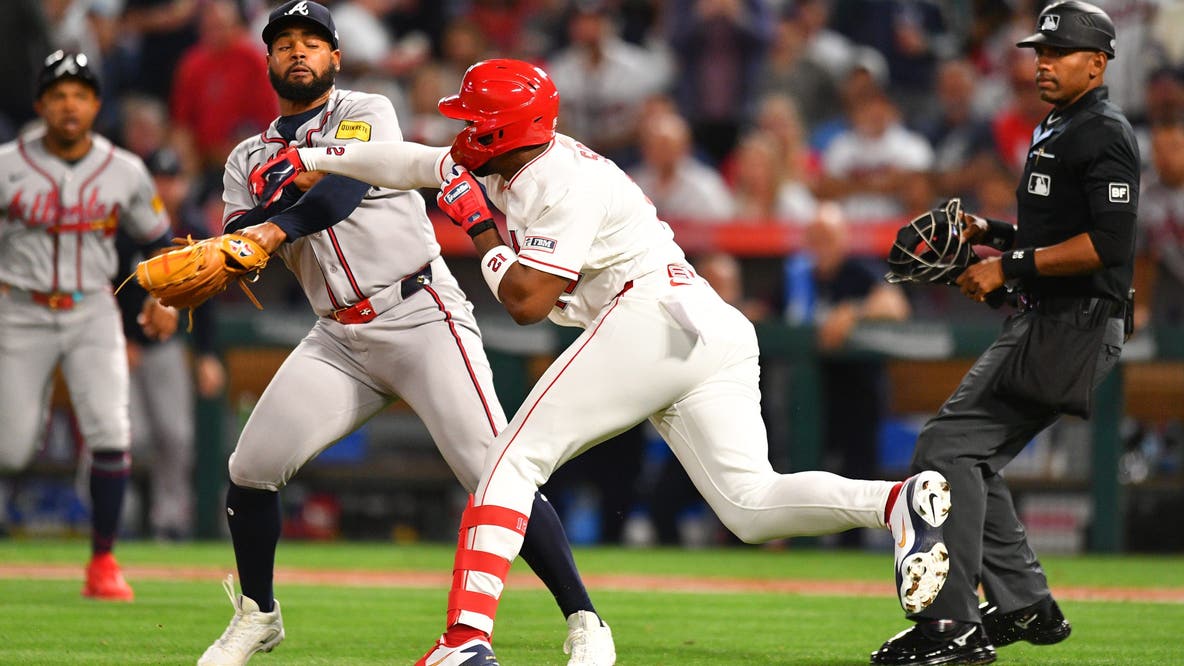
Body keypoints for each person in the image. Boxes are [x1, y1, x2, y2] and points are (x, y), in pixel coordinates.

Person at [260, 57, 957, 665]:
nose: (462, 130)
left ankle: (465, 639)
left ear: (505, 129)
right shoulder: (512, 154)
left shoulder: (560, 181)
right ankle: (895, 504)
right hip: (702, 325)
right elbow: (416, 163)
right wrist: (318, 160)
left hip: (649, 315)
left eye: (475, 120)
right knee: (751, 507)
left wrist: (474, 225)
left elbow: (528, 301)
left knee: (508, 462)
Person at [196, 4, 614, 665]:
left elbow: (336, 195)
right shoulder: (247, 154)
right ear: (268, 61)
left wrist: (269, 224)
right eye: (283, 44)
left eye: (312, 42)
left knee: (492, 470)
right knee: (250, 470)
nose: (297, 52)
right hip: (337, 335)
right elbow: (236, 238)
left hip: (421, 314)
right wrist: (231, 248)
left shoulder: (368, 109)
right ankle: (258, 615)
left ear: (335, 57)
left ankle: (585, 618)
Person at [872, 3, 1140, 664]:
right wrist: (988, 235)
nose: (1043, 63)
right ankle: (1023, 606)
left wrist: (1007, 268)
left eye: (1059, 53)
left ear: (1098, 62)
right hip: (1047, 317)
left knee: (947, 447)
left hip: (1071, 323)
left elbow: (1106, 245)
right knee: (963, 451)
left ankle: (955, 627)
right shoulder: (1059, 124)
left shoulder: (1104, 131)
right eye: (1039, 51)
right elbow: (1054, 238)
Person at [0, 50, 178, 600]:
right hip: (20, 308)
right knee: (8, 449)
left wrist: (164, 296)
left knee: (110, 430)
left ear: (96, 105)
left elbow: (157, 240)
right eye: (58, 94)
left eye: (80, 94)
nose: (69, 104)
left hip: (92, 308)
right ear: (41, 104)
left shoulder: (124, 169)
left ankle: (103, 561)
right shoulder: (7, 162)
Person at [115, 148, 226, 541]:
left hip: (163, 346)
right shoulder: (124, 226)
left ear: (181, 184)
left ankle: (170, 521)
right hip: (118, 347)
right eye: (157, 179)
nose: (165, 187)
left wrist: (207, 354)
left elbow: (206, 300)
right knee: (122, 435)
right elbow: (104, 285)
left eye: (171, 179)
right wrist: (119, 338)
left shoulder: (193, 230)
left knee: (176, 437)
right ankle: (109, 514)